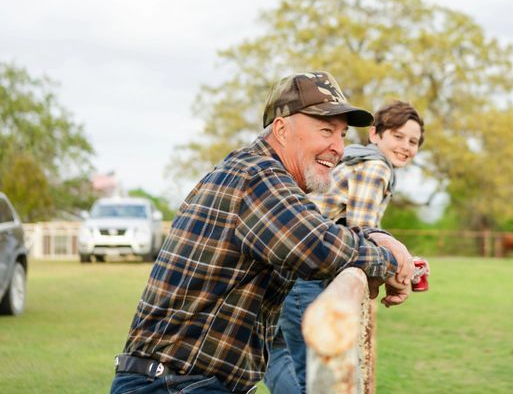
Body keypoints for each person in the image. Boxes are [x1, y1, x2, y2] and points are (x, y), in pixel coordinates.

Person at [110, 72, 414, 394]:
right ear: (282, 129)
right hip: (172, 384)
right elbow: (318, 247)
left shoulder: (262, 176)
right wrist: (390, 261)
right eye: (326, 130)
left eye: (342, 134)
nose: (338, 148)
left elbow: (320, 230)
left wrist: (379, 238)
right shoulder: (257, 175)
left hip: (186, 381)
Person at [265, 101, 424, 394]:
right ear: (375, 134)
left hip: (291, 261)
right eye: (398, 136)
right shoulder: (376, 167)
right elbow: (363, 229)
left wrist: (402, 258)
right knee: (309, 372)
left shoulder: (354, 159)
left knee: (278, 350)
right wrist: (395, 268)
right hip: (307, 269)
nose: (406, 146)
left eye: (413, 141)